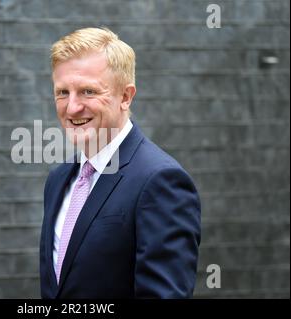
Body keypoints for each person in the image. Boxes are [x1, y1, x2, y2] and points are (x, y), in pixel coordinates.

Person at [39, 27, 201, 298]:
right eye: (63, 92)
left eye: (88, 91)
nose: (72, 108)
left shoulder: (161, 181)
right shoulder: (58, 180)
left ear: (125, 96)